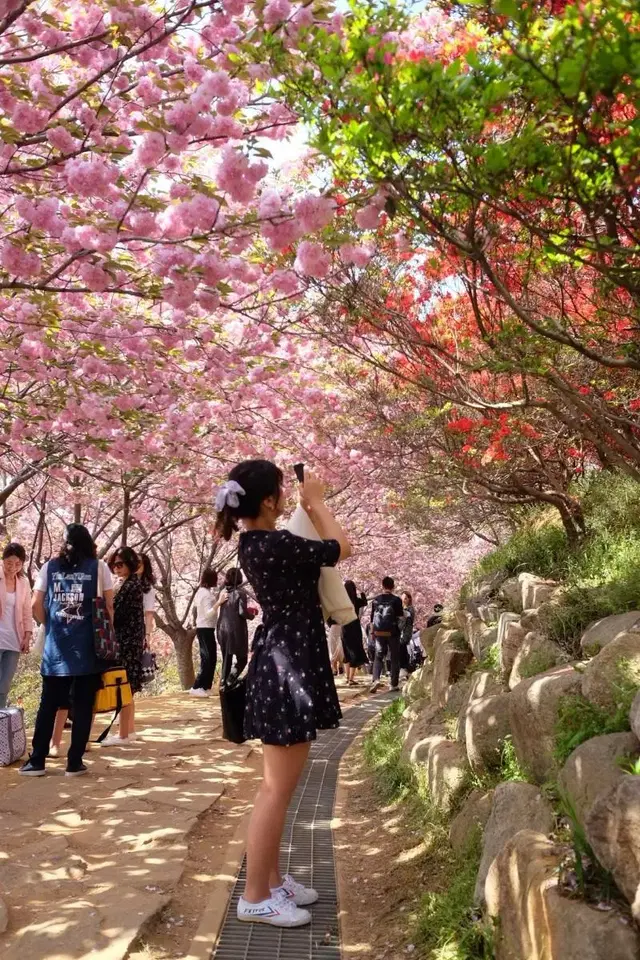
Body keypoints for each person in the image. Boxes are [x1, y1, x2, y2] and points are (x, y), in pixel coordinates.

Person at [214, 459, 352, 928]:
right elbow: (340, 548)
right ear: (271, 501)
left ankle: (271, 882)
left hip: (285, 661)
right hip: (287, 666)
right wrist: (313, 502)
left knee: (279, 785)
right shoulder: (274, 544)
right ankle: (255, 895)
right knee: (275, 788)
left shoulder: (256, 544)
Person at [20, 524, 113, 777]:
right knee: (83, 705)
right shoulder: (100, 567)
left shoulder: (49, 567)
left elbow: (35, 604)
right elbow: (108, 607)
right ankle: (74, 763)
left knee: (48, 704)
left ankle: (37, 761)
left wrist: (49, 624)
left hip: (56, 648)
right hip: (87, 648)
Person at [101, 546, 145, 746]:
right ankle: (129, 731)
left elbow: (117, 614)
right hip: (129, 640)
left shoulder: (130, 586)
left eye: (120, 564)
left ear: (130, 564)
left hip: (127, 641)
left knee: (124, 686)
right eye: (113, 565)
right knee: (128, 687)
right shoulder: (129, 583)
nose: (116, 568)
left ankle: (123, 734)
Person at [0, 542, 33, 708]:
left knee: (4, 686)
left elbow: (27, 610)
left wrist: (27, 636)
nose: (13, 567)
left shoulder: (23, 583)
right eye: (9, 563)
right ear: (3, 560)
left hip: (14, 640)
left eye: (18, 564)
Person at [216, 567, 253, 686]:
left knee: (226, 659)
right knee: (242, 659)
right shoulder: (240, 593)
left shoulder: (223, 593)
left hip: (222, 629)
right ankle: (230, 679)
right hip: (236, 630)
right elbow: (242, 612)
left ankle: (223, 684)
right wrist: (251, 615)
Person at [369, 576, 404, 694]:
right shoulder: (397, 600)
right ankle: (393, 684)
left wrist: (372, 632)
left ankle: (376, 680)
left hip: (379, 632)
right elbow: (400, 618)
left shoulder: (376, 600)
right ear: (393, 587)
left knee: (378, 657)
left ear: (382, 586)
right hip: (392, 632)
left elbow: (372, 619)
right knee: (394, 657)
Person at [191, 568, 219, 697]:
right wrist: (218, 603)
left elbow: (195, 609)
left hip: (205, 628)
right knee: (207, 658)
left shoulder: (201, 592)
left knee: (211, 657)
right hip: (205, 628)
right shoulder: (206, 594)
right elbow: (208, 614)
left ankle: (206, 686)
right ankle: (197, 686)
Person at [341, 581, 368, 686]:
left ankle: (347, 677)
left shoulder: (342, 601)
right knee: (354, 652)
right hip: (354, 626)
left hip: (344, 627)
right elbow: (365, 602)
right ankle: (351, 679)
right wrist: (362, 592)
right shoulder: (356, 601)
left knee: (347, 652)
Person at [138, 553, 156, 644]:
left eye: (139, 563)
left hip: (137, 628)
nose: (136, 565)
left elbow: (149, 613)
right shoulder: (121, 582)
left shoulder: (147, 588)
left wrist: (147, 635)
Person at [399, 590, 416, 681]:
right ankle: (405, 669)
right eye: (402, 598)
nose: (404, 600)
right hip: (400, 633)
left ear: (409, 599)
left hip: (406, 633)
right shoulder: (401, 608)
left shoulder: (410, 609)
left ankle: (404, 668)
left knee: (402, 648)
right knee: (402, 650)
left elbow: (405, 621)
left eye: (406, 598)